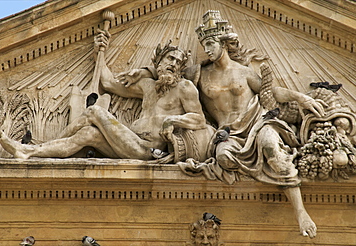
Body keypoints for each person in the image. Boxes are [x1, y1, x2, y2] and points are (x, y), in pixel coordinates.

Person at [125, 10, 324, 238]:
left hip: (257, 123)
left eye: (210, 43)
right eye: (204, 44)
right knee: (222, 158)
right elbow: (169, 70)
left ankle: (300, 212)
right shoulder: (199, 74)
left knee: (270, 148)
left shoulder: (245, 72)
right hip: (227, 134)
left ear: (224, 43)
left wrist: (301, 97)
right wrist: (142, 71)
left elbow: (270, 91)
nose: (207, 49)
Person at [0, 31, 213, 161]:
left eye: (177, 62)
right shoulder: (147, 86)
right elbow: (108, 83)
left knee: (94, 111)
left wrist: (173, 120)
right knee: (87, 135)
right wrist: (100, 51)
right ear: (158, 63)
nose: (173, 64)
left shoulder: (184, 87)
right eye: (169, 59)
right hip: (130, 142)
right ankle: (30, 152)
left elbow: (199, 118)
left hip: (148, 149)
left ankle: (36, 145)